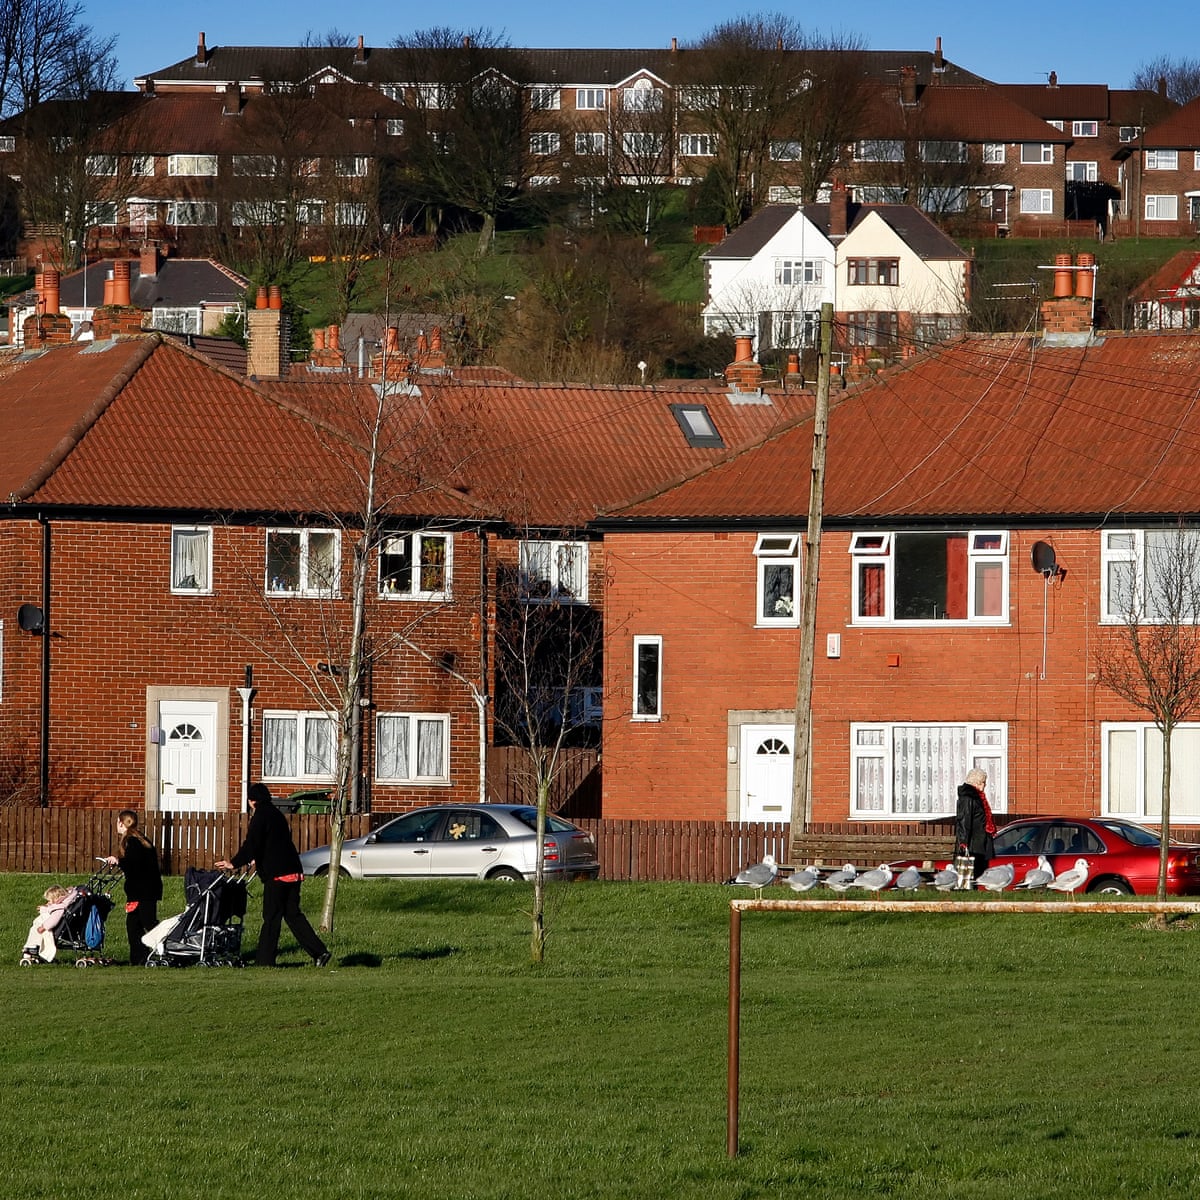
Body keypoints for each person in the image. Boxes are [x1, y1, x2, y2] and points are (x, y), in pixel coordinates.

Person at [217, 782, 330, 967]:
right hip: (294, 871)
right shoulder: (277, 815)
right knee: (293, 915)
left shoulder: (260, 816)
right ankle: (320, 952)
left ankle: (264, 960)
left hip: (277, 876)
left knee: (271, 918)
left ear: (252, 801)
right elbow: (273, 843)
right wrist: (257, 859)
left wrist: (234, 863)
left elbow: (252, 843)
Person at [105, 810, 163, 966]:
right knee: (134, 925)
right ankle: (139, 958)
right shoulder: (141, 839)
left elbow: (133, 864)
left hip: (142, 891)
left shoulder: (132, 841)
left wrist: (118, 861)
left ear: (122, 823)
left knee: (147, 923)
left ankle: (166, 949)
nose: (117, 825)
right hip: (146, 890)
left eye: (118, 822)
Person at [955, 767, 996, 883]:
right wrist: (963, 842)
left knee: (981, 867)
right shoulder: (968, 798)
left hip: (980, 840)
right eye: (983, 782)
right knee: (974, 870)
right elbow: (964, 820)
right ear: (976, 782)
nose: (985, 785)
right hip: (973, 843)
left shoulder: (977, 797)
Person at [21, 884, 77, 964]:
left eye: (50, 901)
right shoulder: (60, 904)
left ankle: (32, 947)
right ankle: (32, 946)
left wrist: (44, 927)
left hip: (45, 926)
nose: (48, 903)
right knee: (34, 929)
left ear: (56, 899)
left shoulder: (59, 908)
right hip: (45, 924)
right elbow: (51, 908)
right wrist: (46, 907)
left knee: (35, 931)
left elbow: (53, 920)